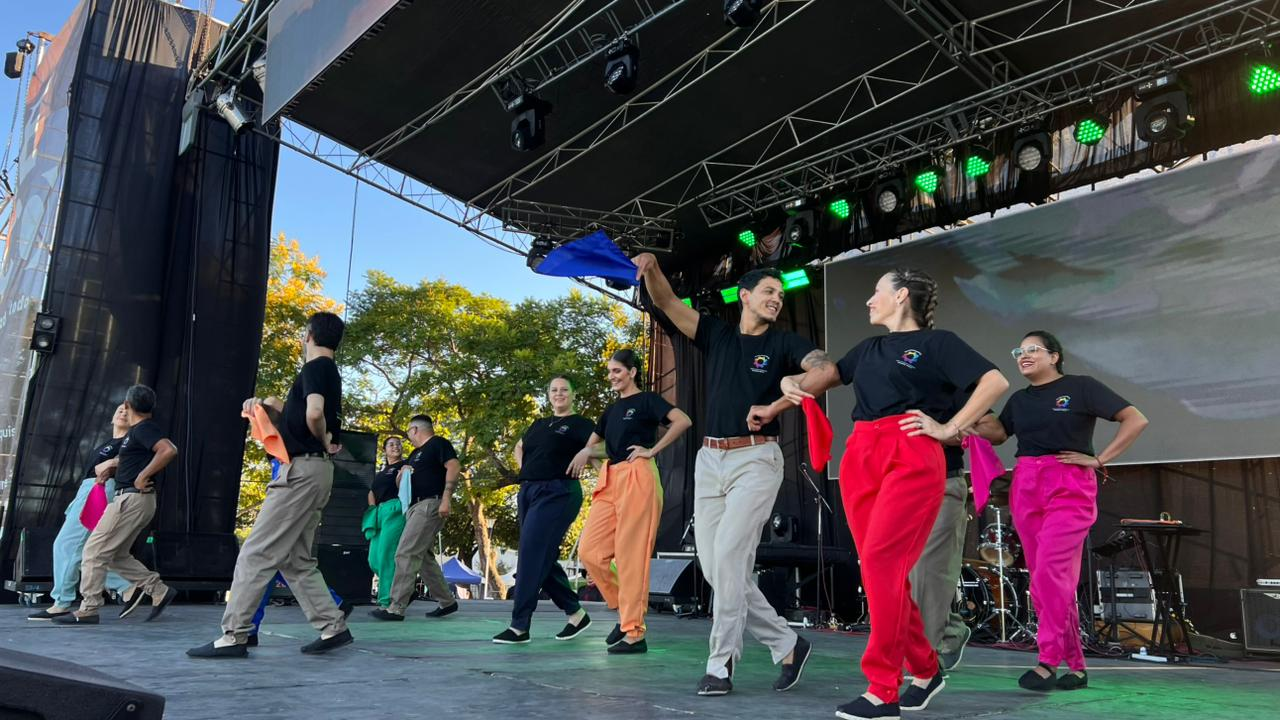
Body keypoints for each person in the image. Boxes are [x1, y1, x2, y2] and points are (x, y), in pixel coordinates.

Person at [780, 268, 1008, 720]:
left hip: (911, 452)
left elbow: (995, 382)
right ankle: (925, 669)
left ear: (901, 296)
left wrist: (949, 427)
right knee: (881, 572)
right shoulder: (868, 348)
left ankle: (883, 688)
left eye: (876, 291)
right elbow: (827, 375)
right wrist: (792, 383)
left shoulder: (938, 343)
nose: (869, 300)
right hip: (862, 453)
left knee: (883, 565)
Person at [633, 254, 825, 695]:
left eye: (781, 295)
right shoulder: (716, 334)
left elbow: (824, 368)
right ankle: (787, 643)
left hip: (756, 460)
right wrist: (654, 269)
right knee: (718, 568)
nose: (777, 299)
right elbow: (667, 302)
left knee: (731, 558)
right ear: (744, 296)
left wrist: (782, 399)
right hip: (710, 460)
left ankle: (720, 666)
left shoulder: (784, 344)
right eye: (769, 292)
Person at [976, 330, 1148, 692]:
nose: (1023, 355)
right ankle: (1077, 666)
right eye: (1019, 351)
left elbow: (1135, 419)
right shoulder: (1019, 400)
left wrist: (1099, 459)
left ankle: (1047, 660)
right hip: (1026, 484)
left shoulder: (1081, 387)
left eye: (1033, 349)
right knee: (1048, 581)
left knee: (1049, 574)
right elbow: (998, 434)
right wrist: (969, 406)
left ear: (1054, 356)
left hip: (1068, 483)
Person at [187, 311, 353, 657]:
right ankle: (332, 626)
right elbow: (297, 415)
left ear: (308, 336)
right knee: (296, 559)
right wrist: (266, 406)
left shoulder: (315, 368)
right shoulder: (329, 373)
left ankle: (235, 635)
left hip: (301, 472)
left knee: (256, 552)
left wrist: (321, 437)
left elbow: (313, 413)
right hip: (316, 473)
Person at [568, 350, 691, 655]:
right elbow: (592, 447)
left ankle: (634, 632)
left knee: (630, 557)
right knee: (590, 552)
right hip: (611, 479)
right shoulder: (611, 410)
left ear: (632, 372)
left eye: (618, 371)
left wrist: (652, 451)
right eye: (610, 371)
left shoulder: (647, 401)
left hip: (639, 475)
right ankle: (625, 612)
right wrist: (597, 463)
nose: (612, 376)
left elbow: (683, 421)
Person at [53, 385, 180, 626]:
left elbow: (168, 450)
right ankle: (158, 590)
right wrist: (110, 470)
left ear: (128, 405)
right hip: (132, 499)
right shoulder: (136, 433)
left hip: (131, 499)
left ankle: (89, 608)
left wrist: (143, 476)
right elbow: (135, 458)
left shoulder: (144, 429)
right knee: (115, 555)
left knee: (93, 552)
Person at [492, 376, 596, 644]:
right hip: (529, 490)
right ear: (548, 395)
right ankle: (576, 613)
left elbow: (604, 447)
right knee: (541, 555)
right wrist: (525, 468)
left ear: (573, 394)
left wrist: (586, 453)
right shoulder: (539, 424)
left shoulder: (581, 424)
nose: (559, 394)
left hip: (559, 490)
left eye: (564, 390)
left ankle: (519, 626)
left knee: (530, 553)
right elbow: (519, 447)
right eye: (554, 390)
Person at [28, 404, 133, 620]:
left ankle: (61, 602)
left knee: (66, 545)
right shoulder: (108, 443)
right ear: (112, 417)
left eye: (128, 411)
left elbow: (134, 460)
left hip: (101, 488)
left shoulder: (129, 442)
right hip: (90, 489)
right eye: (119, 409)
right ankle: (129, 586)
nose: (123, 412)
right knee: (88, 551)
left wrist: (112, 463)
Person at [370, 414, 462, 621]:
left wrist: (446, 498)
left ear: (415, 430)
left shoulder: (438, 443)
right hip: (413, 507)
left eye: (408, 432)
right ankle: (447, 601)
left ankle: (395, 607)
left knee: (405, 553)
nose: (408, 437)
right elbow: (400, 484)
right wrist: (402, 474)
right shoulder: (414, 454)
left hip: (429, 504)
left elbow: (454, 466)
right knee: (423, 558)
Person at [365, 436, 407, 608]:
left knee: (386, 556)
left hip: (395, 508)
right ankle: (403, 590)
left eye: (398, 444)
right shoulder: (381, 472)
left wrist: (405, 472)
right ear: (385, 450)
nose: (395, 446)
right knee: (374, 559)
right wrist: (372, 508)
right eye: (391, 444)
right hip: (379, 512)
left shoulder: (405, 465)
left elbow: (405, 486)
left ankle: (386, 602)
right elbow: (372, 491)